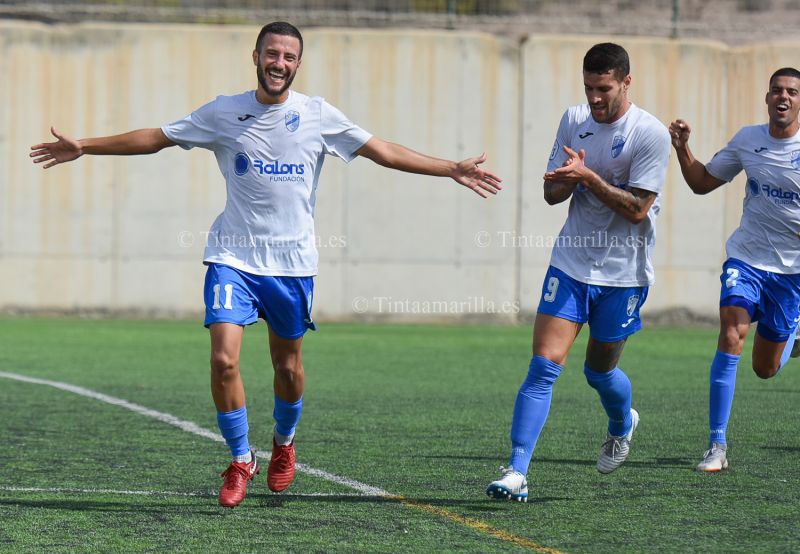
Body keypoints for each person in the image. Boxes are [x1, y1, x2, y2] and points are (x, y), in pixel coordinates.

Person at [30, 21, 502, 508]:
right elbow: (157, 136)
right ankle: (240, 459)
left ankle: (284, 442)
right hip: (232, 257)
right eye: (271, 54)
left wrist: (450, 168)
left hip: (292, 266)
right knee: (223, 358)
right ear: (254, 56)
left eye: (289, 57)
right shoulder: (224, 111)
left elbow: (383, 151)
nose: (279, 64)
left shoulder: (317, 115)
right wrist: (86, 145)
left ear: (298, 64)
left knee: (288, 366)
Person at [486, 43, 670, 502]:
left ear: (626, 82)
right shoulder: (574, 120)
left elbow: (637, 209)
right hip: (570, 264)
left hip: (624, 275)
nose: (594, 98)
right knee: (544, 366)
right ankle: (517, 470)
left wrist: (590, 179)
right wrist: (568, 177)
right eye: (588, 88)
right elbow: (552, 195)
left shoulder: (650, 134)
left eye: (603, 88)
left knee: (599, 372)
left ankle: (621, 422)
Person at [669, 67, 800, 473]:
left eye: (793, 92)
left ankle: (792, 334)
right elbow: (702, 182)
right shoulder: (748, 140)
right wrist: (682, 148)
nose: (784, 97)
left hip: (791, 274)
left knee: (764, 369)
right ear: (766, 98)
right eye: (777, 90)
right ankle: (717, 446)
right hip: (746, 258)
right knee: (731, 333)